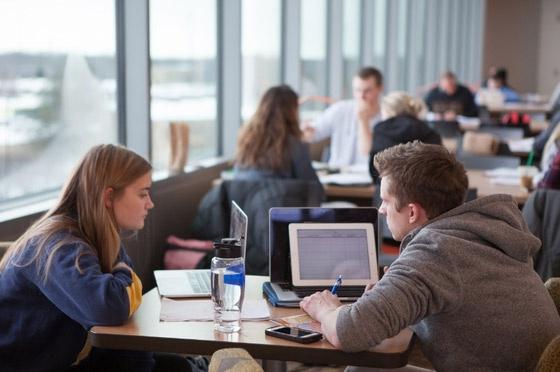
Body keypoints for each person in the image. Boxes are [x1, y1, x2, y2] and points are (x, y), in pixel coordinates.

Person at [300, 142, 560, 371]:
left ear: (412, 213)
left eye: (386, 201)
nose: (381, 209)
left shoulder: (435, 251)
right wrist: (385, 298)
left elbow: (349, 333)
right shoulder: (484, 232)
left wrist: (327, 310)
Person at [0, 145, 204, 371]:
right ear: (109, 196)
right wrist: (122, 269)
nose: (150, 204)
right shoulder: (59, 246)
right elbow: (110, 308)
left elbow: (127, 302)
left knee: (175, 366)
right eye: (142, 194)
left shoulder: (93, 235)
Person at [234, 85, 319, 183]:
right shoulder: (294, 144)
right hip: (278, 197)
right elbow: (313, 187)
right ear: (292, 112)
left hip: (243, 198)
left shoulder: (246, 140)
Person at [305, 67, 384, 168]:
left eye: (367, 91)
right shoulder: (340, 109)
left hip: (368, 177)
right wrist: (307, 130)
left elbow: (367, 152)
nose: (361, 96)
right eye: (357, 90)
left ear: (380, 88)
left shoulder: (387, 116)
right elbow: (312, 135)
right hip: (336, 174)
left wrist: (363, 120)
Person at [368, 91, 441, 182]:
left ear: (389, 111)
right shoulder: (428, 130)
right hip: (425, 191)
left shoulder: (381, 129)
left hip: (388, 191)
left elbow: (374, 170)